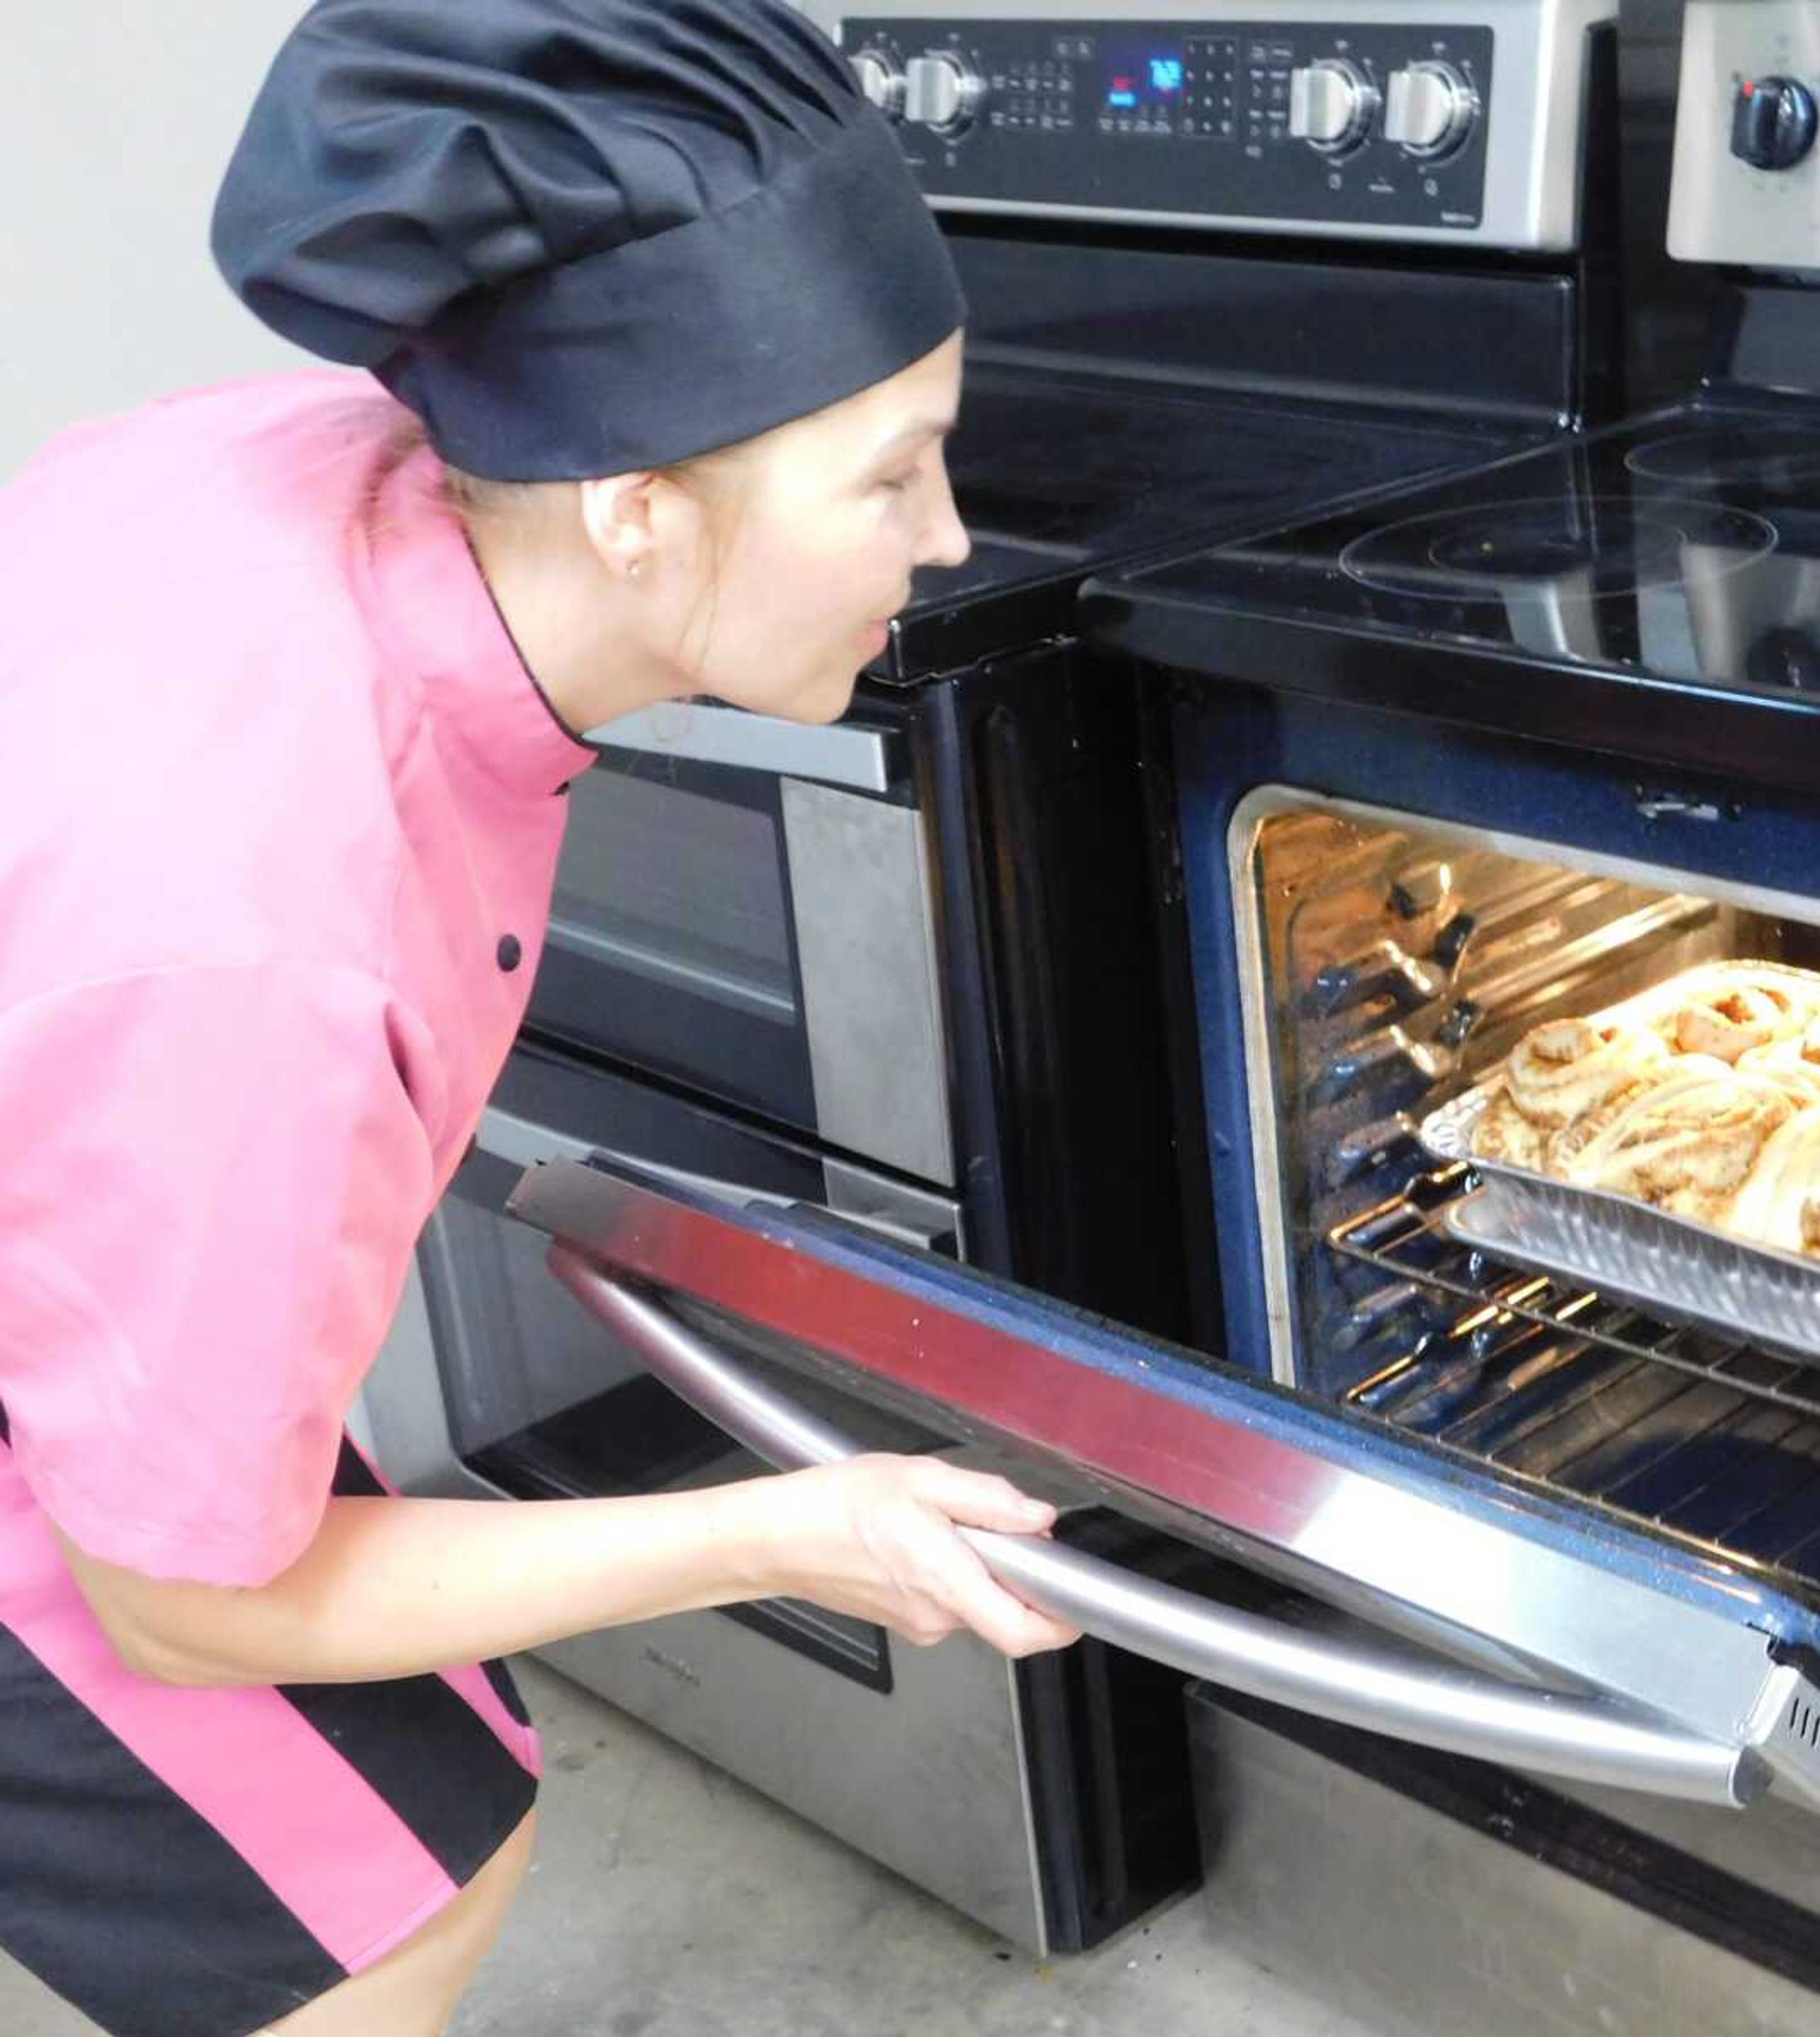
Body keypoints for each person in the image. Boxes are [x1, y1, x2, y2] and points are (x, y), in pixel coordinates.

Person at [0, 4, 1077, 2032]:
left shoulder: (291, 464)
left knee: (434, 1779)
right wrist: (787, 1527)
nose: (945, 546)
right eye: (891, 480)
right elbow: (182, 1602)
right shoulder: (271, 953)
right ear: (636, 509)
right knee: (374, 1887)